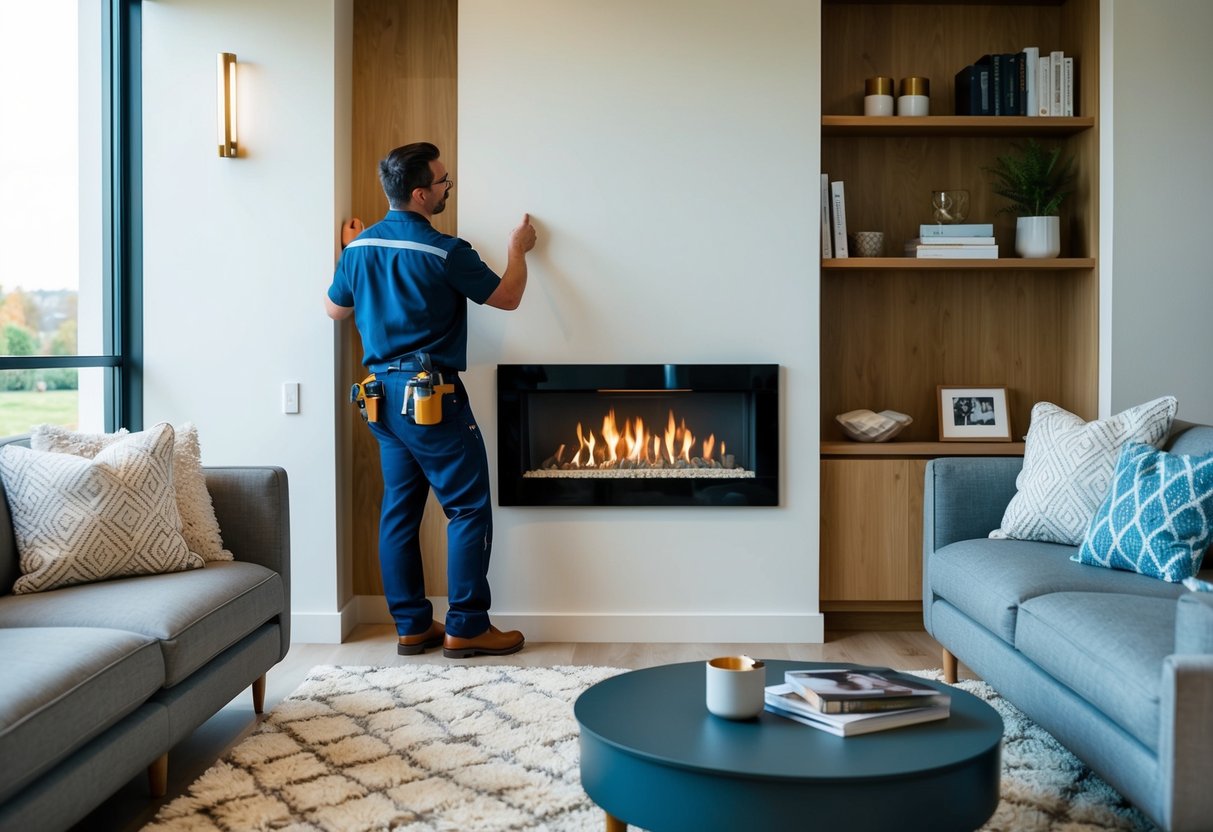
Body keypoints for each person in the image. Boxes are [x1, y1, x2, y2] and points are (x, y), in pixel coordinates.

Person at [325, 142, 537, 658]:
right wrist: (518, 250)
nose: (447, 188)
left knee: (400, 510)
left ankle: (413, 626)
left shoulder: (357, 251)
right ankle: (466, 625)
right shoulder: (447, 251)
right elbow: (507, 296)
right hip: (428, 397)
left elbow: (336, 311)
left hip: (379, 398)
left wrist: (350, 249)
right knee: (467, 508)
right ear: (421, 193)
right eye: (444, 182)